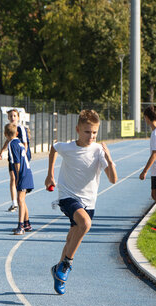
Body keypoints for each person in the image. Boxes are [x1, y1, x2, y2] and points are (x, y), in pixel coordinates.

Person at [45, 110, 117, 295]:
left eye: (94, 132)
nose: (91, 136)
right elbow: (54, 148)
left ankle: (58, 274)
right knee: (85, 223)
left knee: (72, 237)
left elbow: (113, 179)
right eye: (87, 132)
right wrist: (50, 174)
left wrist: (108, 158)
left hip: (89, 202)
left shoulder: (99, 151)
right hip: (67, 196)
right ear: (78, 129)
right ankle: (67, 264)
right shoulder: (68, 147)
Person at [0, 109, 31, 212]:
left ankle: (21, 198)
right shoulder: (9, 129)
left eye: (14, 116)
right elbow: (7, 141)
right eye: (11, 116)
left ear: (18, 117)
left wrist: (23, 157)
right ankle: (14, 203)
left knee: (19, 178)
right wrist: (1, 152)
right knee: (12, 178)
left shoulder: (21, 129)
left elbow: (25, 144)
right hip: (12, 156)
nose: (12, 118)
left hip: (21, 157)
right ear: (8, 118)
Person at [4, 123, 34, 235]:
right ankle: (27, 224)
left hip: (22, 173)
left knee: (20, 200)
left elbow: (16, 162)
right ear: (17, 133)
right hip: (28, 172)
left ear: (5, 134)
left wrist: (17, 177)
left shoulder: (11, 144)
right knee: (22, 199)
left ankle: (20, 226)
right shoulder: (20, 143)